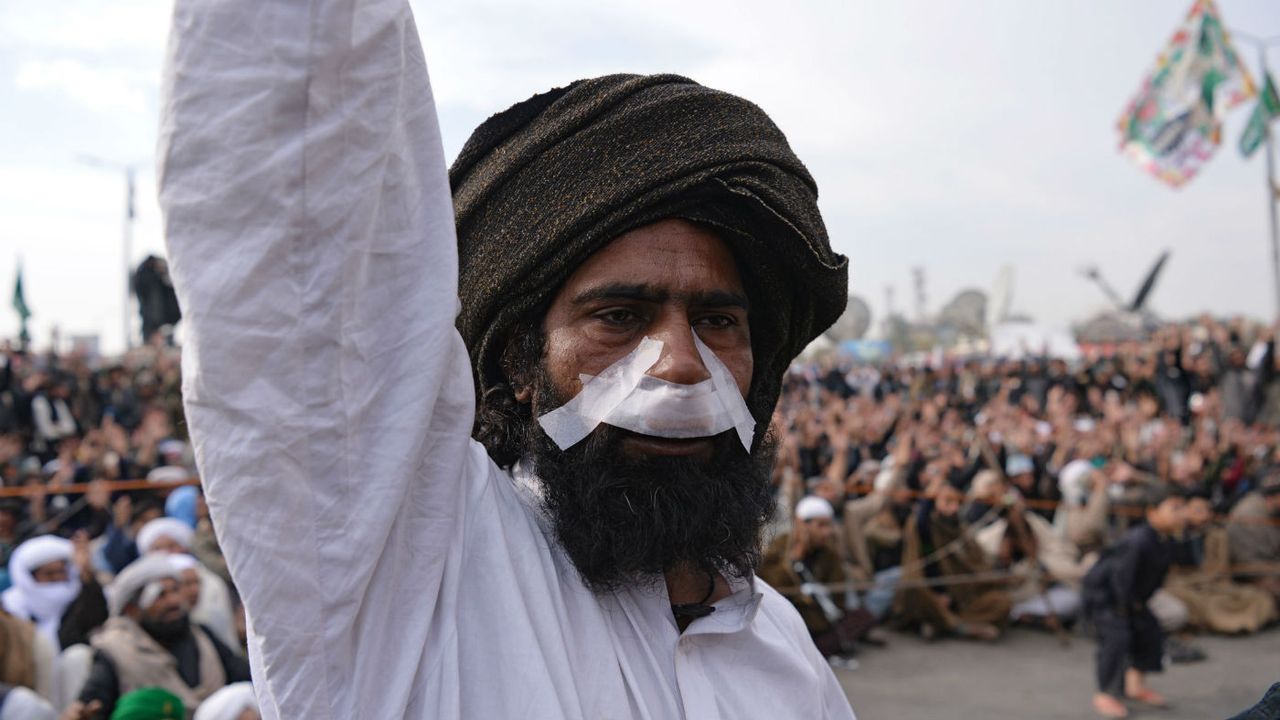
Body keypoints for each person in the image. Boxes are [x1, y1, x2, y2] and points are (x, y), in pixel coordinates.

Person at [160, 1, 852, 718]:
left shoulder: (783, 650)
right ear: (521, 365)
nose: (680, 364)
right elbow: (297, 216)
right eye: (621, 318)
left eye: (716, 321)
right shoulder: (413, 586)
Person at [76, 555, 249, 718]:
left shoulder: (201, 634)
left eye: (175, 590)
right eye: (160, 595)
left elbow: (244, 678)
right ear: (131, 609)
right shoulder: (114, 650)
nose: (173, 601)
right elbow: (93, 705)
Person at [1082, 486, 1187, 719]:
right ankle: (1106, 694)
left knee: (1149, 631)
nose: (1181, 514)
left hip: (1134, 599)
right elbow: (1120, 579)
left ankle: (1134, 686)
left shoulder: (1166, 540)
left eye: (1182, 508)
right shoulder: (1137, 540)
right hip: (1107, 599)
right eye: (1174, 508)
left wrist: (1138, 608)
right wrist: (1124, 609)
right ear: (1152, 512)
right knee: (1117, 638)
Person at [760, 496, 876, 665]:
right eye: (820, 525)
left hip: (821, 618)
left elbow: (838, 596)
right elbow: (772, 587)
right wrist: (794, 559)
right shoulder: (780, 547)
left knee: (863, 616)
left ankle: (813, 649)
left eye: (828, 525)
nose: (827, 532)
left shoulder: (829, 553)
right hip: (793, 617)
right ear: (801, 524)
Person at [2, 535, 108, 650]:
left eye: (61, 571)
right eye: (49, 574)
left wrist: (86, 573)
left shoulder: (79, 596)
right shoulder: (10, 607)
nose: (58, 577)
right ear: (30, 577)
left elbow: (96, 614)